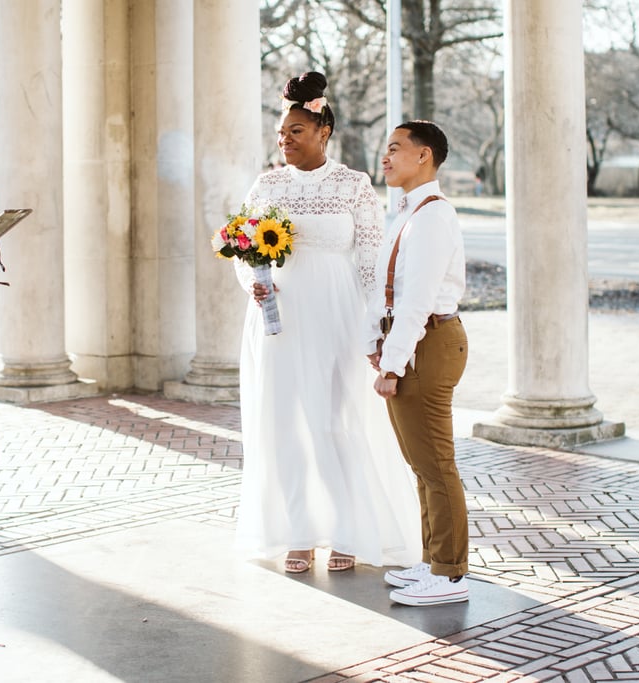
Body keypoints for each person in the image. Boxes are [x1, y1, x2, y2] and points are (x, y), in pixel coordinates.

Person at [234, 72, 422, 574]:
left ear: (323, 131)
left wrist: (373, 323)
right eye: (280, 132)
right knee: (285, 424)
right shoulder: (267, 185)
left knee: (337, 421)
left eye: (295, 130)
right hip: (280, 317)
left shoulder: (354, 185)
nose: (284, 140)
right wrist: (253, 282)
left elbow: (370, 259)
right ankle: (297, 532)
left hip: (338, 314)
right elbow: (242, 249)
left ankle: (347, 530)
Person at [365, 120, 470, 606]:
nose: (385, 157)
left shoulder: (431, 216)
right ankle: (433, 562)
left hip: (429, 342)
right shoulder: (408, 212)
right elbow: (389, 291)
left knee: (435, 461)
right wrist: (376, 341)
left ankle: (450, 575)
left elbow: (418, 300)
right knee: (421, 462)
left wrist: (391, 365)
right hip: (414, 341)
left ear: (423, 156)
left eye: (394, 149)